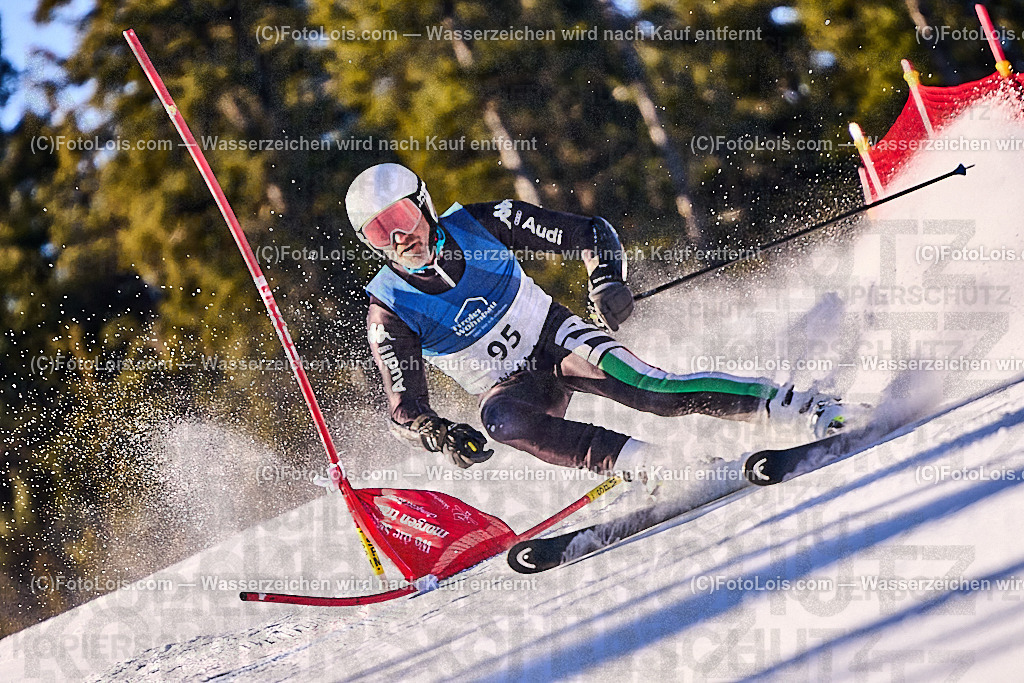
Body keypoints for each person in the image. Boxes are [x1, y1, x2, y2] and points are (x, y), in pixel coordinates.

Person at [347, 163, 845, 475]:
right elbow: (403, 408)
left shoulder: (482, 223)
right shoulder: (389, 310)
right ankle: (660, 468)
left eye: (401, 219)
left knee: (653, 391)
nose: (399, 239)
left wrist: (605, 277)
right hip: (511, 386)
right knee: (500, 420)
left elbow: (589, 232)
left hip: (558, 340)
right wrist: (438, 432)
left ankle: (803, 407)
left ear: (424, 206)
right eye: (379, 232)